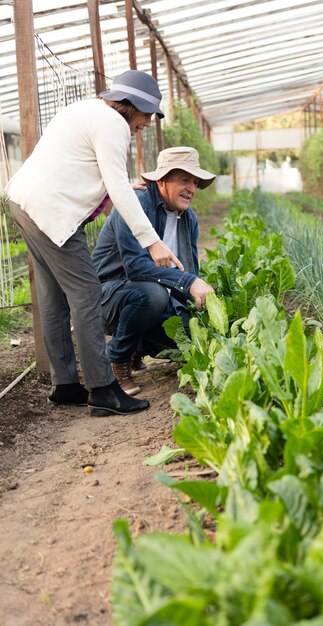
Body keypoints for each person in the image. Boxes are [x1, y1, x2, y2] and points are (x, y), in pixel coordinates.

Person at [5, 70, 184, 416]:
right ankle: (103, 389)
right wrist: (152, 242)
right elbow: (115, 184)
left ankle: (66, 385)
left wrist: (120, 184)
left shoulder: (86, 110)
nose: (147, 122)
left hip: (23, 201)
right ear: (130, 105)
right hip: (51, 211)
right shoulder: (113, 125)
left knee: (53, 296)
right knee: (87, 294)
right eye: (146, 114)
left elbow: (86, 167)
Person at [91, 146, 216, 395]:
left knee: (187, 332)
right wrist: (189, 281)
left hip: (146, 295)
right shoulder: (135, 205)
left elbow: (189, 270)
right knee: (153, 294)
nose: (191, 188)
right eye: (184, 180)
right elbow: (135, 267)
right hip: (106, 297)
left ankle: (136, 347)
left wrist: (200, 317)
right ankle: (117, 359)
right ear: (161, 180)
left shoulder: (189, 218)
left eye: (194, 181)